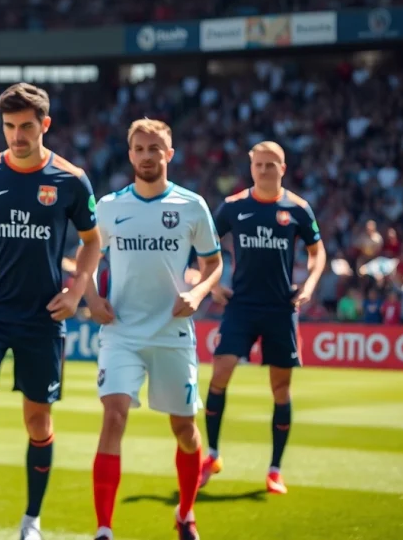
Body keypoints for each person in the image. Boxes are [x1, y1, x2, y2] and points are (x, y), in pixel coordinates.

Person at [0, 83, 103, 540]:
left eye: (26, 126)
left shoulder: (70, 179)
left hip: (42, 318)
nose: (16, 135)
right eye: (9, 126)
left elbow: (92, 242)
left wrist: (76, 291)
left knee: (37, 421)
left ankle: (32, 520)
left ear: (44, 125)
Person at [86, 118, 223, 540]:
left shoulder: (192, 205)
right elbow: (86, 260)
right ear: (130, 155)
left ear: (169, 153)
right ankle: (105, 529)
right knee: (114, 417)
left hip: (172, 333)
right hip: (121, 332)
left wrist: (198, 294)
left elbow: (213, 264)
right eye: (140, 149)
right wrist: (91, 299)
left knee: (184, 432)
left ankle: (185, 514)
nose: (147, 156)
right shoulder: (108, 206)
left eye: (155, 149)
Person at [201, 141, 326, 495]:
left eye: (272, 164)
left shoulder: (298, 209)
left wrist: (311, 284)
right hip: (241, 305)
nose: (265, 170)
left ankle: (274, 469)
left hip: (280, 309)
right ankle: (211, 454)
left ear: (283, 168)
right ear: (251, 167)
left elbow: (318, 253)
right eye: (259, 164)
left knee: (280, 389)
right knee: (220, 371)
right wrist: (212, 286)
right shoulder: (234, 206)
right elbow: (204, 244)